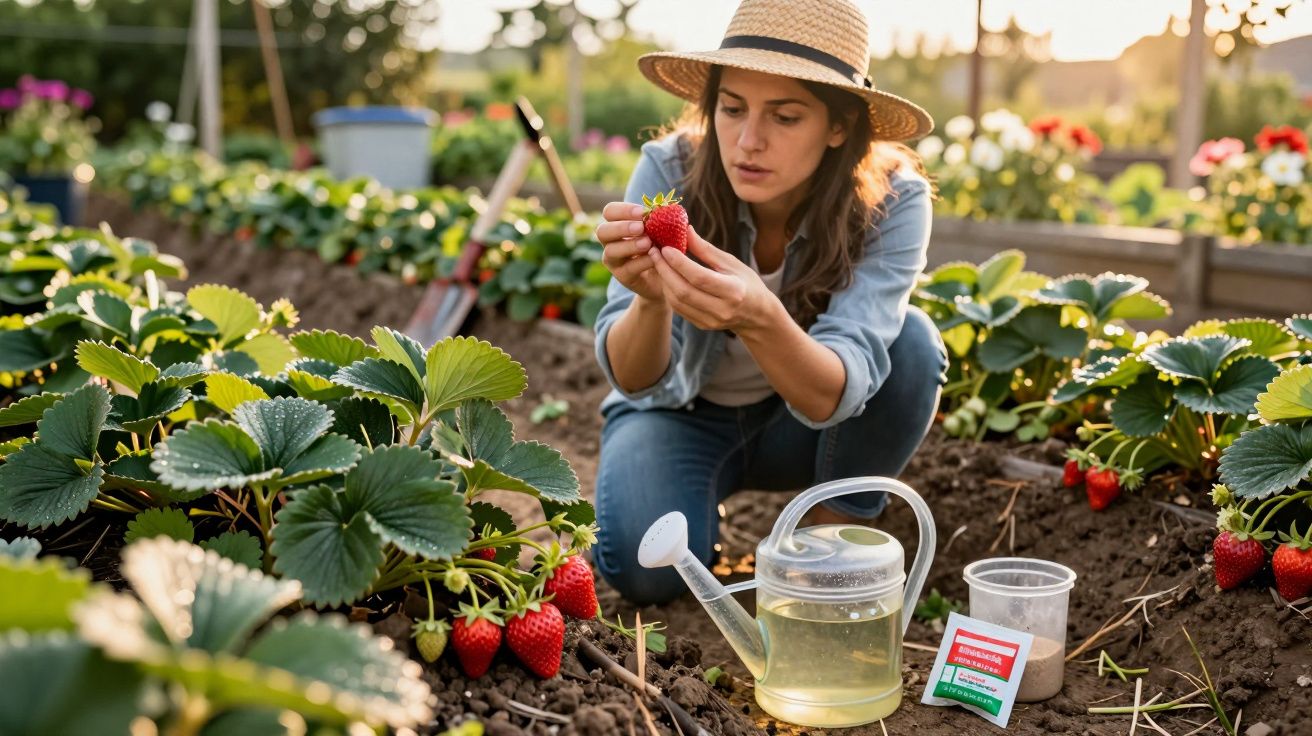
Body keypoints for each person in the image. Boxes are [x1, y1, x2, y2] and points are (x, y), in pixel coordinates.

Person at [590, 0, 947, 605]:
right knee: (646, 571)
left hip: (801, 427)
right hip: (680, 414)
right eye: (732, 109)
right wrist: (649, 302)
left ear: (838, 127)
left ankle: (830, 538)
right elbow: (635, 379)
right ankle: (694, 511)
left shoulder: (893, 200)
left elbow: (835, 391)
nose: (748, 141)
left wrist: (760, 317)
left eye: (785, 117)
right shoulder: (667, 172)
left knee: (911, 345)